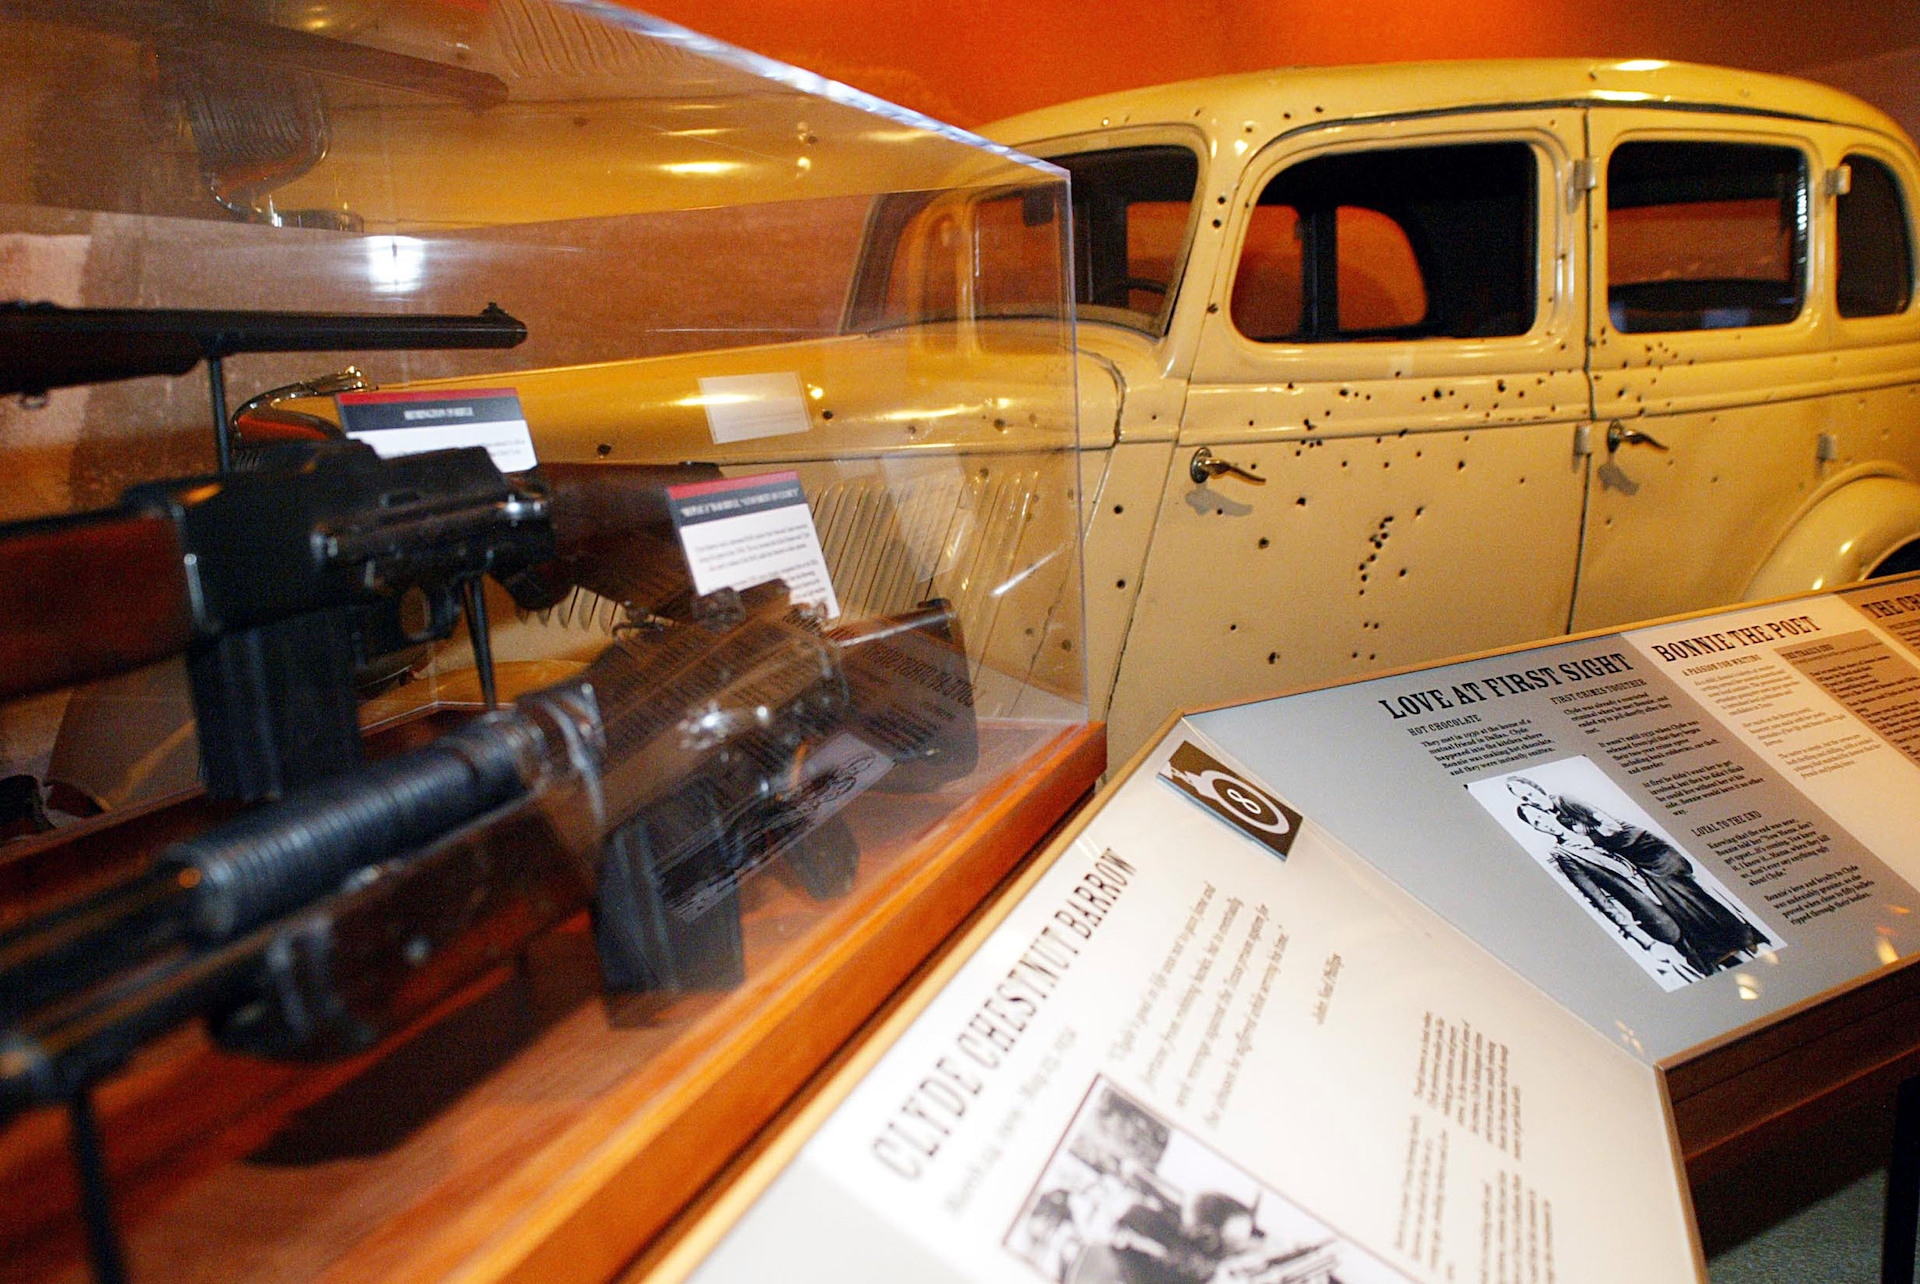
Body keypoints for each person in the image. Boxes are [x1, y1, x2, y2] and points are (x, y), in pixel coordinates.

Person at [1508, 777, 1767, 975]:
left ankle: (1742, 940)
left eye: (1529, 792)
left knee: (1687, 897)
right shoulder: (1559, 832)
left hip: (1644, 850)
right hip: (1638, 867)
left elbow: (1611, 826)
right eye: (1525, 799)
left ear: (1536, 788)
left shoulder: (1565, 800)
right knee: (1680, 908)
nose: (1531, 800)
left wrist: (1590, 837)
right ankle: (1730, 951)